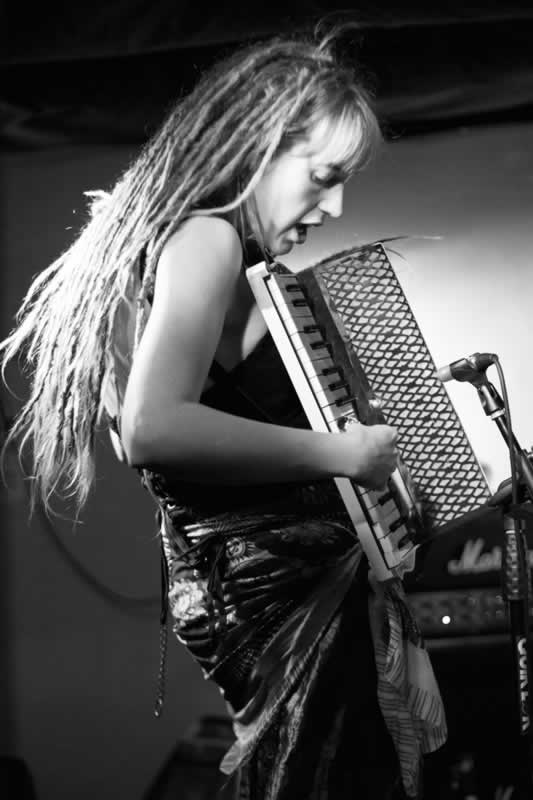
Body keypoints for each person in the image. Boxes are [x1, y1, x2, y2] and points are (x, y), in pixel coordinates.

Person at [0, 23, 446, 800]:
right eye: (322, 176)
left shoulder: (175, 244)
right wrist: (345, 454)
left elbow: (154, 435)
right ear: (255, 150)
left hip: (253, 589)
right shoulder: (205, 238)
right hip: (280, 597)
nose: (335, 205)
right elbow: (153, 430)